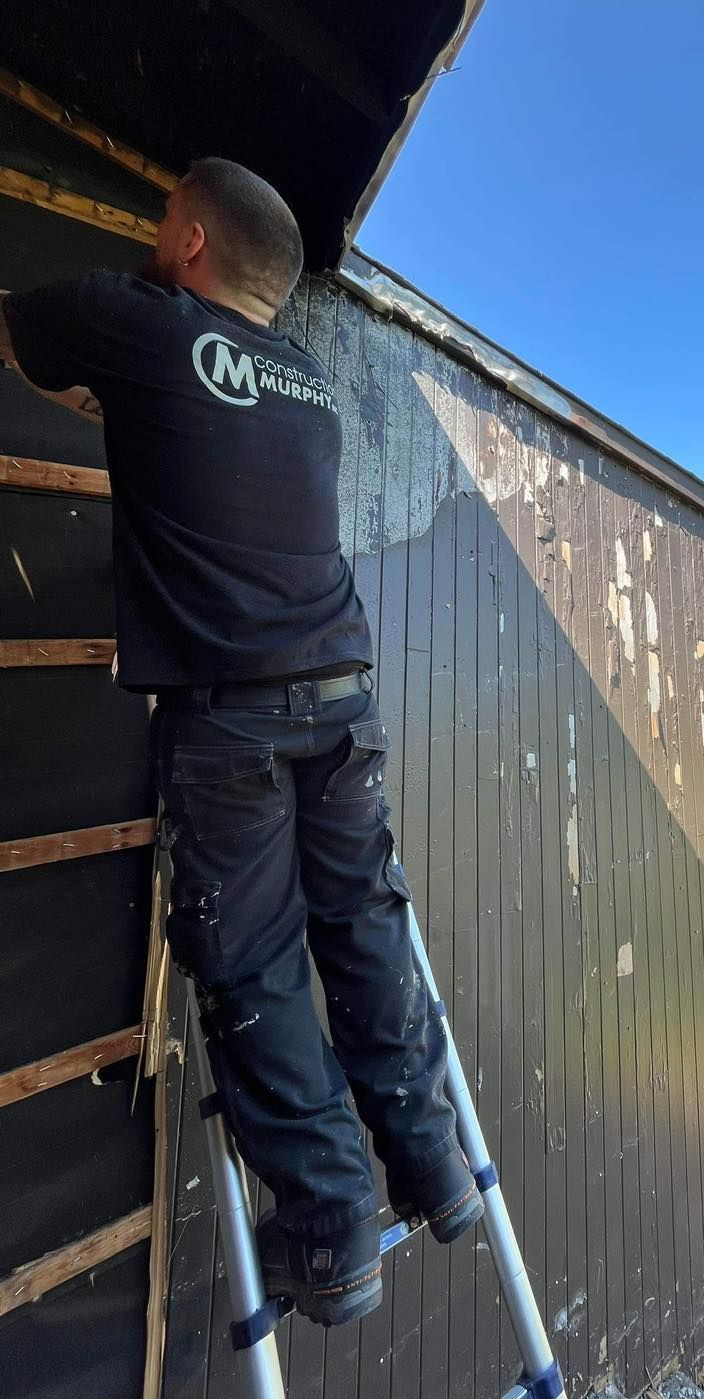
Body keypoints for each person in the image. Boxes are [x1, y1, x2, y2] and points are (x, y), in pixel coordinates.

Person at [0, 157, 482, 1327]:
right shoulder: (310, 384)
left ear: (193, 241)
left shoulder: (135, 321)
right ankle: (435, 1167)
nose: (157, 239)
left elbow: (24, 338)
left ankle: (332, 1231)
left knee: (255, 960)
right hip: (341, 701)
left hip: (233, 724)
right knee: (363, 928)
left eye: (166, 221)